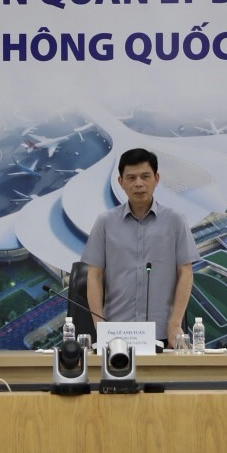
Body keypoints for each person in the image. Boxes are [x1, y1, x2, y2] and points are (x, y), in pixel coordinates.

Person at [83, 148, 199, 346]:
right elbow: (94, 275)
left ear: (156, 178)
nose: (139, 184)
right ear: (121, 182)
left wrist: (174, 323)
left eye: (145, 176)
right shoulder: (105, 222)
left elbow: (186, 273)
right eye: (131, 178)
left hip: (162, 332)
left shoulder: (175, 220)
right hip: (116, 333)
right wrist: (99, 324)